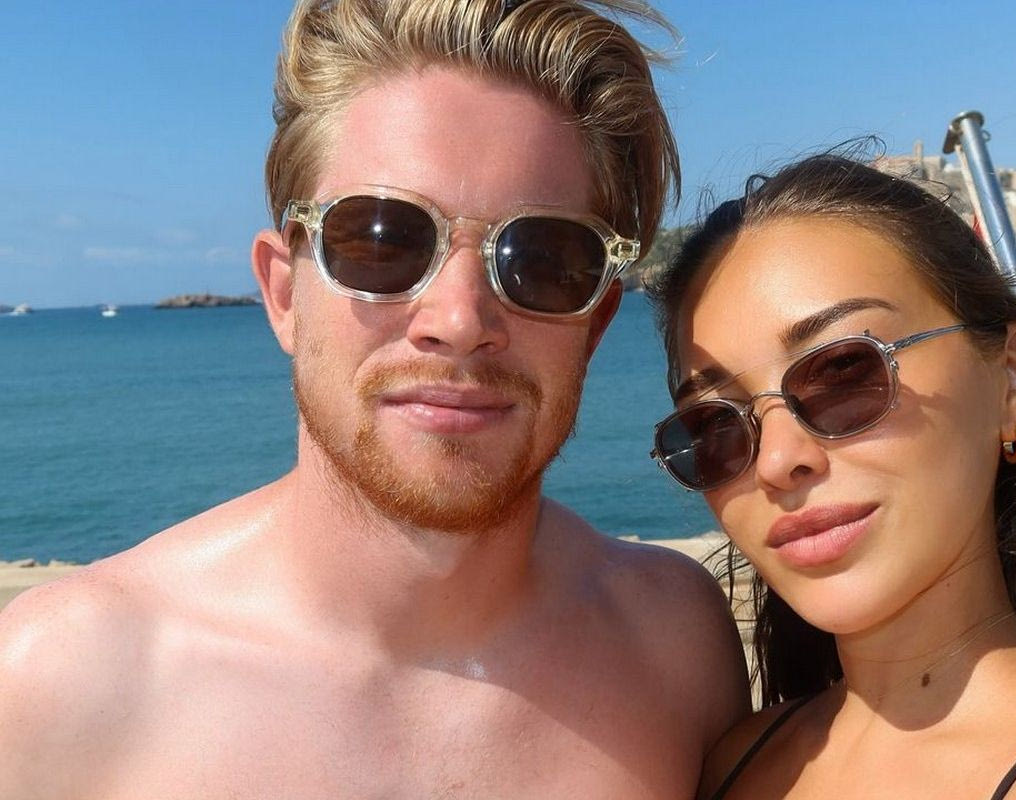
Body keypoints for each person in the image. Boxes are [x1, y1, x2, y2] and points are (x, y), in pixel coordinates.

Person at [0, 2, 749, 796]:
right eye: (384, 241)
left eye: (543, 260)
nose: (459, 321)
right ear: (283, 295)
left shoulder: (676, 648)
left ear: (594, 323)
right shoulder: (65, 681)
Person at [646, 152, 1016, 798]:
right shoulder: (727, 767)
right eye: (714, 425)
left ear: (1014, 378)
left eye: (844, 372)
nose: (776, 461)